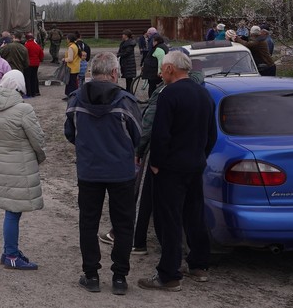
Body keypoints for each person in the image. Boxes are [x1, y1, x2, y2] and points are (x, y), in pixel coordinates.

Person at [138, 50, 216, 292]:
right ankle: (199, 265)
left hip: (170, 167)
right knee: (195, 214)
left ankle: (169, 274)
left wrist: (155, 162)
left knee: (169, 219)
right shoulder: (204, 94)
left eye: (162, 68)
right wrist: (201, 155)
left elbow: (161, 133)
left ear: (171, 68)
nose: (160, 73)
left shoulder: (169, 94)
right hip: (195, 164)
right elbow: (211, 134)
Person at [65, 52, 141, 295]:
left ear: (91, 71)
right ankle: (119, 277)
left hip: (89, 171)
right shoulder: (126, 101)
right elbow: (138, 135)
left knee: (88, 223)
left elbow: (70, 133)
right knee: (123, 224)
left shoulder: (75, 99)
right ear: (114, 73)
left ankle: (91, 275)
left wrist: (88, 147)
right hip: (121, 172)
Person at [0, 70, 46, 270]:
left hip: (1, 163)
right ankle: (11, 254)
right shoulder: (23, 109)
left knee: (11, 210)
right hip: (20, 164)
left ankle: (9, 251)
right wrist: (40, 157)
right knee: (13, 212)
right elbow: (37, 139)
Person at [24, 32, 44, 97]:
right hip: (36, 63)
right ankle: (35, 91)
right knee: (34, 77)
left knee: (28, 78)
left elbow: (24, 54)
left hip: (28, 63)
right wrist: (40, 60)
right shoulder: (37, 45)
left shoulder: (26, 45)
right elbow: (41, 54)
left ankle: (29, 92)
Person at [63, 34, 81, 101]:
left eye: (67, 38)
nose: (66, 40)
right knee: (73, 83)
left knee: (71, 83)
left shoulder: (71, 47)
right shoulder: (76, 46)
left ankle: (72, 96)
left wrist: (64, 59)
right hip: (76, 67)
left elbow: (70, 59)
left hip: (71, 68)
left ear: (69, 39)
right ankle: (71, 95)